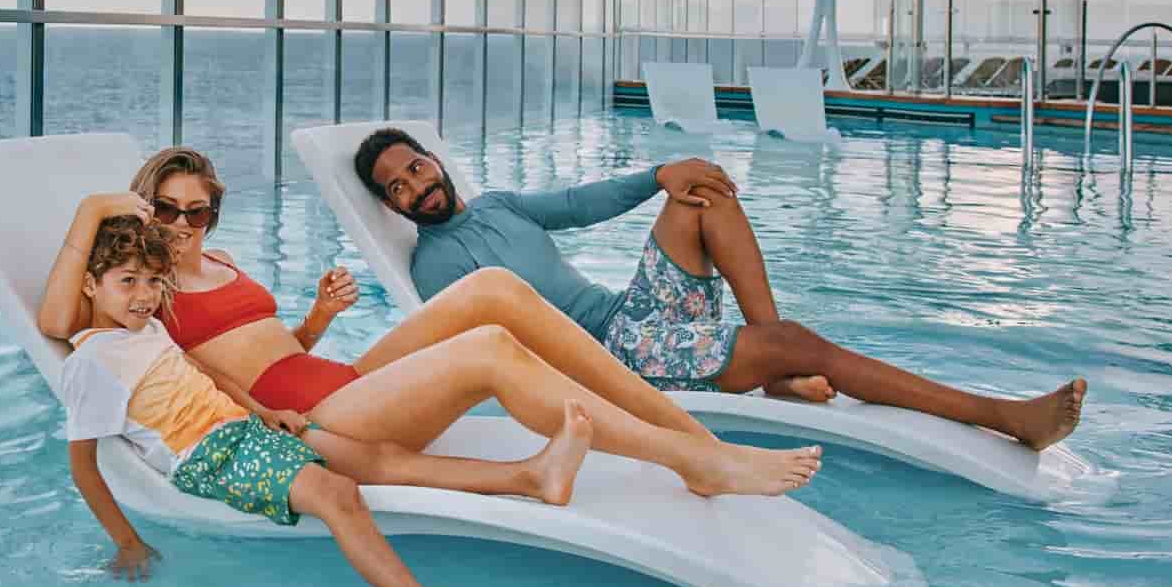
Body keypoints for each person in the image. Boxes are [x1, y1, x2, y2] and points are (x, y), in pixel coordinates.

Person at [36, 148, 823, 501]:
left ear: (214, 212)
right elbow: (55, 317)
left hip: (336, 376)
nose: (182, 222)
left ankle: (697, 443)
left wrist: (313, 320)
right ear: (144, 206)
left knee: (495, 289)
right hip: (307, 418)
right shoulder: (136, 290)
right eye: (166, 207)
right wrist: (91, 211)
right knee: (487, 350)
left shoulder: (223, 259)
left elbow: (272, 349)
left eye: (196, 209)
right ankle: (691, 460)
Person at [351, 127, 1087, 451]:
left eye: (416, 169)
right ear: (390, 209)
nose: (415, 188)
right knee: (792, 342)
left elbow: (578, 205)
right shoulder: (432, 273)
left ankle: (782, 373)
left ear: (435, 163)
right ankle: (1001, 416)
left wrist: (658, 174)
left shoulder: (499, 204)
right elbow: (482, 352)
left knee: (701, 191)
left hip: (630, 315)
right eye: (397, 189)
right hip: (614, 362)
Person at [63, 215, 579, 587]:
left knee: (376, 458)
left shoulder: (149, 329)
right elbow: (83, 462)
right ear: (91, 284)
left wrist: (262, 411)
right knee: (340, 495)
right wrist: (126, 541)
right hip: (210, 454)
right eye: (127, 281)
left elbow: (207, 374)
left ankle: (530, 479)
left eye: (154, 281)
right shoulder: (93, 362)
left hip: (244, 425)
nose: (145, 295)